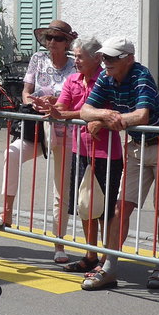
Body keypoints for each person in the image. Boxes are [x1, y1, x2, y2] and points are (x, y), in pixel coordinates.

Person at [80, 36, 159, 291]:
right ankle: (109, 267)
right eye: (104, 57)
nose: (106, 62)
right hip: (136, 146)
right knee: (121, 207)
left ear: (129, 59)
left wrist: (108, 119)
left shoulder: (141, 75)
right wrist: (104, 114)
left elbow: (141, 115)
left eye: (112, 58)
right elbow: (85, 111)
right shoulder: (105, 76)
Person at [0, 20, 76, 237]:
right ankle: (6, 214)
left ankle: (59, 241)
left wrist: (56, 101)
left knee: (61, 189)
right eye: (49, 37)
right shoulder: (38, 59)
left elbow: (80, 98)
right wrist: (32, 102)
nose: (52, 42)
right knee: (11, 154)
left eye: (58, 38)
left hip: (66, 132)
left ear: (67, 42)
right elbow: (26, 92)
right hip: (38, 129)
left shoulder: (76, 65)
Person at [52, 35, 123, 271]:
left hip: (107, 152)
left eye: (80, 56)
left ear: (96, 58)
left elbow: (112, 111)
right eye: (75, 56)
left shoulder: (107, 79)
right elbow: (62, 108)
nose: (76, 60)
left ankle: (105, 258)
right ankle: (91, 254)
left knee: (105, 207)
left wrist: (83, 114)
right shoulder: (73, 80)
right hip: (81, 149)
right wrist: (50, 107)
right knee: (85, 205)